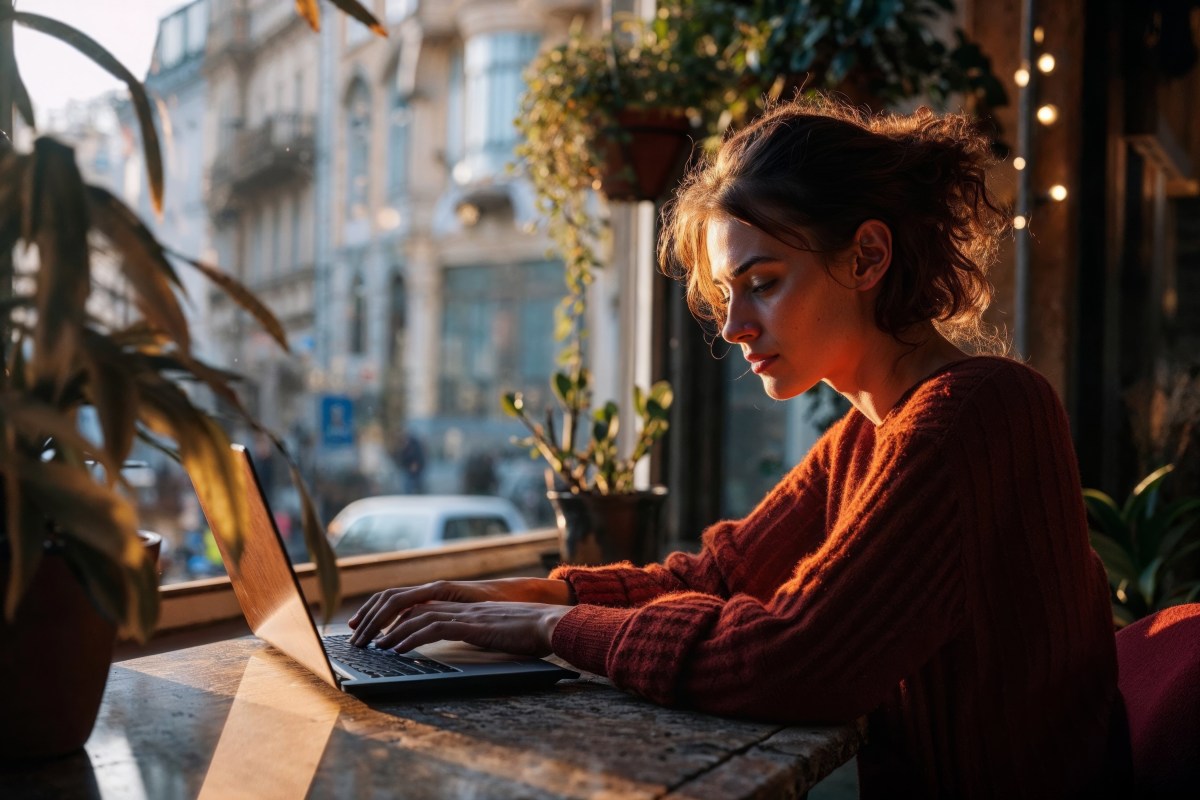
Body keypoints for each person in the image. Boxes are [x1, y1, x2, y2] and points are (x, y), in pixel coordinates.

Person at [348, 97, 1130, 796]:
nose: (735, 327)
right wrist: (530, 595)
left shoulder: (981, 410)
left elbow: (796, 658)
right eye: (727, 295)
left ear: (866, 257)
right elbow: (720, 577)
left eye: (763, 282)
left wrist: (551, 631)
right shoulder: (869, 435)